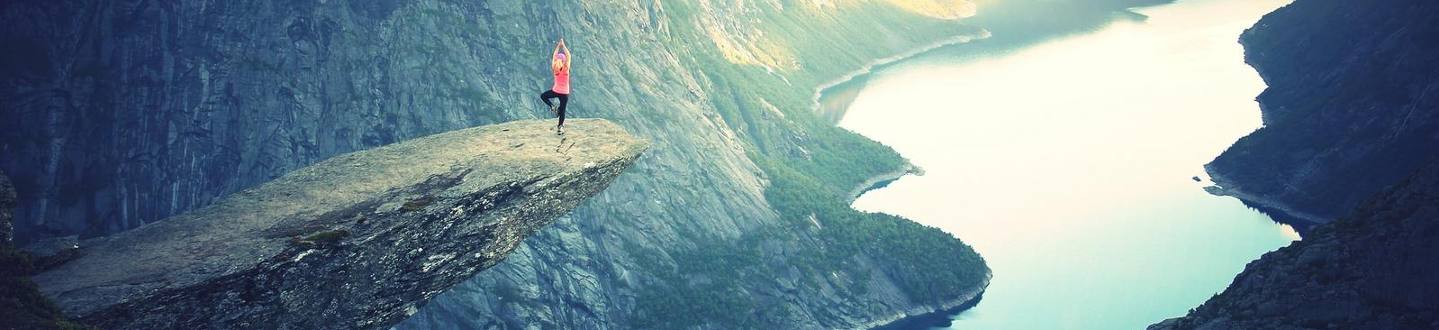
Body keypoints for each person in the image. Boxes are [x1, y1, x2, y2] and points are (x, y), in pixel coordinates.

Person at [540, 38, 572, 134]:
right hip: (564, 93)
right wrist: (563, 45)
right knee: (562, 110)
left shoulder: (555, 68)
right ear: (564, 60)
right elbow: (569, 56)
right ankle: (560, 127)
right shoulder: (566, 68)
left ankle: (552, 107)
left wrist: (558, 46)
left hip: (556, 91)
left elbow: (554, 56)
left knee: (543, 96)